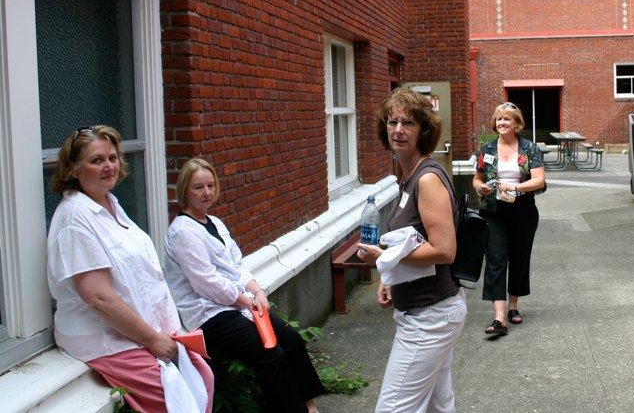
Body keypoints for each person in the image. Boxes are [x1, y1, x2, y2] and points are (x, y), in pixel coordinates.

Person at [47, 125, 214, 412]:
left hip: (145, 330)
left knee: (203, 377)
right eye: (96, 160)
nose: (108, 166)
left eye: (112, 157)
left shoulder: (109, 203)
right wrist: (152, 340)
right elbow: (98, 298)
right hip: (107, 339)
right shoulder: (76, 219)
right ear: (74, 169)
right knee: (176, 401)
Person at [164, 158, 325, 413]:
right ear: (184, 190)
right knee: (270, 355)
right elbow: (206, 282)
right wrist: (245, 301)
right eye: (198, 187)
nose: (206, 192)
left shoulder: (214, 222)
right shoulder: (183, 231)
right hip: (209, 312)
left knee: (291, 339)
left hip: (238, 304)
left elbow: (237, 264)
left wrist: (257, 291)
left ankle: (310, 406)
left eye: (210, 185)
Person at [357, 87, 467, 413]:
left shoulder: (427, 179)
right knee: (437, 405)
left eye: (408, 123)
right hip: (426, 310)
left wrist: (386, 259)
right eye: (392, 122)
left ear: (424, 130)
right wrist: (388, 277)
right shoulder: (406, 177)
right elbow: (409, 239)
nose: (398, 130)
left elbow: (444, 250)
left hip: (430, 315)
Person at [472, 102, 546, 336]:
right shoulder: (487, 149)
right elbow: (477, 178)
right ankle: (499, 317)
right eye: (498, 119)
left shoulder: (529, 148)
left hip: (523, 212)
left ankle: (514, 306)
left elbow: (539, 180)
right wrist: (480, 188)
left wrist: (515, 188)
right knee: (495, 260)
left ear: (516, 123)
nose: (502, 123)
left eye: (506, 119)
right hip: (493, 212)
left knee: (519, 259)